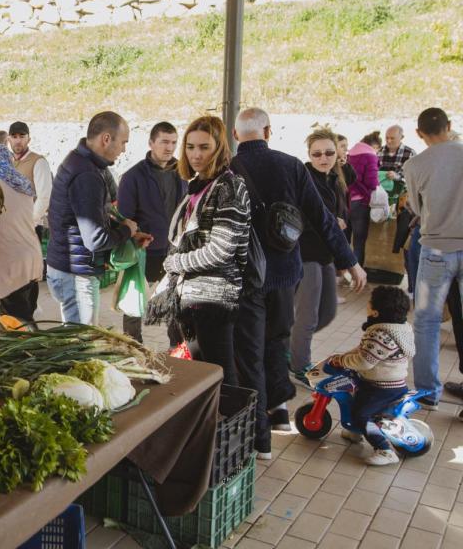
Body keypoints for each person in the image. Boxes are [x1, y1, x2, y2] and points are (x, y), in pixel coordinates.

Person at [231, 107, 365, 458]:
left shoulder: (227, 169)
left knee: (250, 355)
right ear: (269, 131)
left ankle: (259, 441)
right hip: (284, 275)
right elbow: (322, 219)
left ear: (235, 136)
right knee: (276, 343)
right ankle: (278, 417)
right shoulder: (290, 165)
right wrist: (350, 262)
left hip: (244, 276)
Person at [149, 115, 249, 385]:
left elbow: (220, 250)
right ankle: (214, 422)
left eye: (204, 147)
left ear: (219, 147)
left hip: (214, 297)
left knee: (220, 372)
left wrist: (174, 263)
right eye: (190, 147)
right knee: (202, 370)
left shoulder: (229, 186)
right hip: (193, 296)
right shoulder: (199, 184)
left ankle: (230, 423)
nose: (196, 154)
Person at [46, 111, 142, 326]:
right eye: (123, 142)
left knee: (77, 340)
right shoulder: (86, 175)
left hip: (68, 269)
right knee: (80, 345)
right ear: (106, 139)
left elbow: (93, 217)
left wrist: (127, 232)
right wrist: (126, 230)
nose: (124, 150)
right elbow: (95, 239)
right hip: (75, 276)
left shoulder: (81, 162)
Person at [404, 108, 463, 410]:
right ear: (449, 126)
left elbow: (415, 206)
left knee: (426, 321)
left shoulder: (415, 164)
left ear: (419, 133)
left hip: (435, 250)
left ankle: (428, 393)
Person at [117, 121, 185, 345]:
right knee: (134, 304)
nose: (169, 147)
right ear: (151, 143)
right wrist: (136, 240)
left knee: (175, 304)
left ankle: (177, 350)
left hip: (173, 251)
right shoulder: (132, 177)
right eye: (164, 142)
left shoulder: (183, 173)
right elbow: (124, 218)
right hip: (144, 250)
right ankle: (133, 348)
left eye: (174, 142)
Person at [290, 129, 350, 384]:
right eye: (317, 154)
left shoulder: (333, 179)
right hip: (306, 254)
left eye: (329, 153)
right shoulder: (306, 179)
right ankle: (298, 364)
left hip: (325, 254)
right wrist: (330, 222)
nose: (323, 158)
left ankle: (287, 347)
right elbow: (298, 216)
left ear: (338, 154)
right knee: (308, 315)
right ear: (309, 155)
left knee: (328, 312)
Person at [330, 286, 414, 465]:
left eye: (369, 302)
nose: (366, 303)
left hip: (383, 387)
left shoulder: (380, 334)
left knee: (363, 415)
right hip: (385, 382)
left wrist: (343, 361)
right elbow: (364, 351)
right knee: (356, 399)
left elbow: (364, 361)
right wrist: (344, 357)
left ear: (375, 312)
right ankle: (356, 432)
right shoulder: (400, 327)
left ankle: (384, 450)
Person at [0, 144, 43, 322]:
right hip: (32, 256)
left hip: (9, 262)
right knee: (26, 315)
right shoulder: (22, 182)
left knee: (14, 323)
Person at [7, 121, 54, 237]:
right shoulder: (7, 162)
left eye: (22, 137)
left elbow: (44, 198)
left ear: (29, 139)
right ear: (9, 140)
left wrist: (28, 222)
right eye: (14, 137)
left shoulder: (38, 162)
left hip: (28, 229)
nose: (18, 141)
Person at [346, 133, 381, 266]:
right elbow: (372, 182)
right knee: (359, 242)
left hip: (346, 200)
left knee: (345, 239)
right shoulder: (370, 155)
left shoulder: (350, 153)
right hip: (360, 202)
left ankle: (343, 272)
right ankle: (357, 273)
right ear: (376, 146)